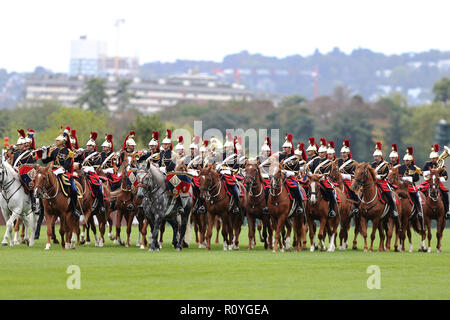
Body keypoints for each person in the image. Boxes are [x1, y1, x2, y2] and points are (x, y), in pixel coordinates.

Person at [38, 126, 81, 217]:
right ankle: (40, 207)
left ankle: (74, 208)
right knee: (42, 184)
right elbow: (45, 161)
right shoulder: (54, 151)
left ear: (62, 142)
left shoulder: (69, 152)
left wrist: (58, 171)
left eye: (57, 141)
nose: (56, 142)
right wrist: (45, 152)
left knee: (73, 189)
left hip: (64, 172)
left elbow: (67, 165)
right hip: (53, 171)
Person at [75, 132, 105, 214]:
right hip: (82, 172)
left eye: (90, 146)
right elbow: (76, 160)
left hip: (92, 173)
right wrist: (77, 154)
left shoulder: (98, 155)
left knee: (98, 186)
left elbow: (97, 166)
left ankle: (101, 205)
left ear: (93, 146)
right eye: (87, 145)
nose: (88, 147)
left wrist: (88, 169)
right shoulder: (84, 153)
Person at [371, 142, 400, 223]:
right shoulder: (372, 165)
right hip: (373, 183)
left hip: (382, 182)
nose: (375, 158)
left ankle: (394, 209)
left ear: (380, 157)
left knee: (389, 194)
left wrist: (380, 176)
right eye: (374, 156)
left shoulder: (386, 165)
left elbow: (387, 174)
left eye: (376, 156)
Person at [421, 144, 450, 219]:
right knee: (421, 192)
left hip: (437, 183)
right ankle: (420, 210)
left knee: (445, 194)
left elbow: (445, 177)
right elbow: (422, 173)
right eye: (432, 158)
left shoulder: (441, 166)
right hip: (428, 182)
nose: (433, 160)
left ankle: (447, 210)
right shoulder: (427, 164)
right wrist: (430, 173)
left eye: (434, 158)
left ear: (437, 158)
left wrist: (438, 178)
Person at [313, 140, 338, 217]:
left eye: (322, 153)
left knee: (331, 191)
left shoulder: (329, 162)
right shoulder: (315, 160)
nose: (320, 154)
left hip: (323, 180)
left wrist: (319, 177)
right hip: (313, 180)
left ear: (325, 153)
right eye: (319, 153)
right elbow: (311, 170)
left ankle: (331, 209)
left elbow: (327, 174)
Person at [398, 147, 423, 224]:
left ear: (411, 160)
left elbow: (417, 178)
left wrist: (410, 179)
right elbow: (398, 176)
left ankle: (419, 211)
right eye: (405, 160)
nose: (406, 161)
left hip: (410, 186)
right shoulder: (401, 167)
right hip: (402, 186)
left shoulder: (414, 168)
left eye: (407, 160)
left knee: (417, 196)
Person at [219, 132, 241, 214]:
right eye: (226, 147)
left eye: (228, 147)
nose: (227, 148)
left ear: (231, 148)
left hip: (230, 175)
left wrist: (230, 170)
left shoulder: (235, 156)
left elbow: (236, 169)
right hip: (221, 174)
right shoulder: (223, 155)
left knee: (236, 192)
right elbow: (219, 164)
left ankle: (236, 206)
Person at [337, 139, 359, 217]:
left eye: (345, 153)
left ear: (348, 153)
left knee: (352, 189)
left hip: (348, 180)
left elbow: (354, 176)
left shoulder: (353, 163)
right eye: (342, 153)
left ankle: (356, 206)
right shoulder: (338, 161)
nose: (343, 154)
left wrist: (344, 176)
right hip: (337, 180)